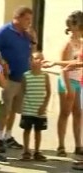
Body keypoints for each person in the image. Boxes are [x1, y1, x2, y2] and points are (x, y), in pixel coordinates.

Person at [0, 6, 34, 152]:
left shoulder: (25, 35)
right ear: (18, 18)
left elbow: (30, 52)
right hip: (9, 78)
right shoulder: (4, 32)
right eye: (27, 19)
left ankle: (8, 136)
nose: (29, 22)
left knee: (15, 108)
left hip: (23, 77)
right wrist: (2, 64)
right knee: (5, 108)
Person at [44, 11, 83, 157]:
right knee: (65, 113)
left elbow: (79, 63)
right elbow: (63, 68)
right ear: (72, 26)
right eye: (77, 23)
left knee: (78, 113)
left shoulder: (82, 43)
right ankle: (61, 145)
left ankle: (78, 144)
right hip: (66, 81)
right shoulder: (67, 44)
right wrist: (68, 87)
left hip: (78, 81)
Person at [20, 52, 50, 161]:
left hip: (40, 110)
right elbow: (22, 91)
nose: (34, 61)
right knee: (26, 130)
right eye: (32, 58)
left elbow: (48, 92)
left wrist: (44, 106)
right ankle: (26, 151)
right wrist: (22, 106)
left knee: (38, 131)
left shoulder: (45, 76)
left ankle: (37, 151)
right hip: (28, 109)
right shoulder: (26, 75)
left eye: (37, 58)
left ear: (42, 61)